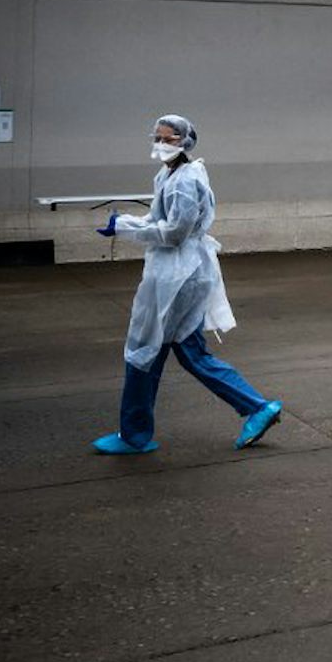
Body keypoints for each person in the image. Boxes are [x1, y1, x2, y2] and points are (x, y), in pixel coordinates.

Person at [90, 115, 282, 455]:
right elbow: (157, 220)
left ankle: (135, 434)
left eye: (170, 139)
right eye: (158, 137)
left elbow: (175, 233)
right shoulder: (168, 175)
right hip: (178, 272)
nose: (162, 144)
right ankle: (256, 407)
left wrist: (126, 230)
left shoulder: (184, 181)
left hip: (178, 275)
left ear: (186, 141)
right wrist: (125, 222)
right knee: (189, 352)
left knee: (145, 350)